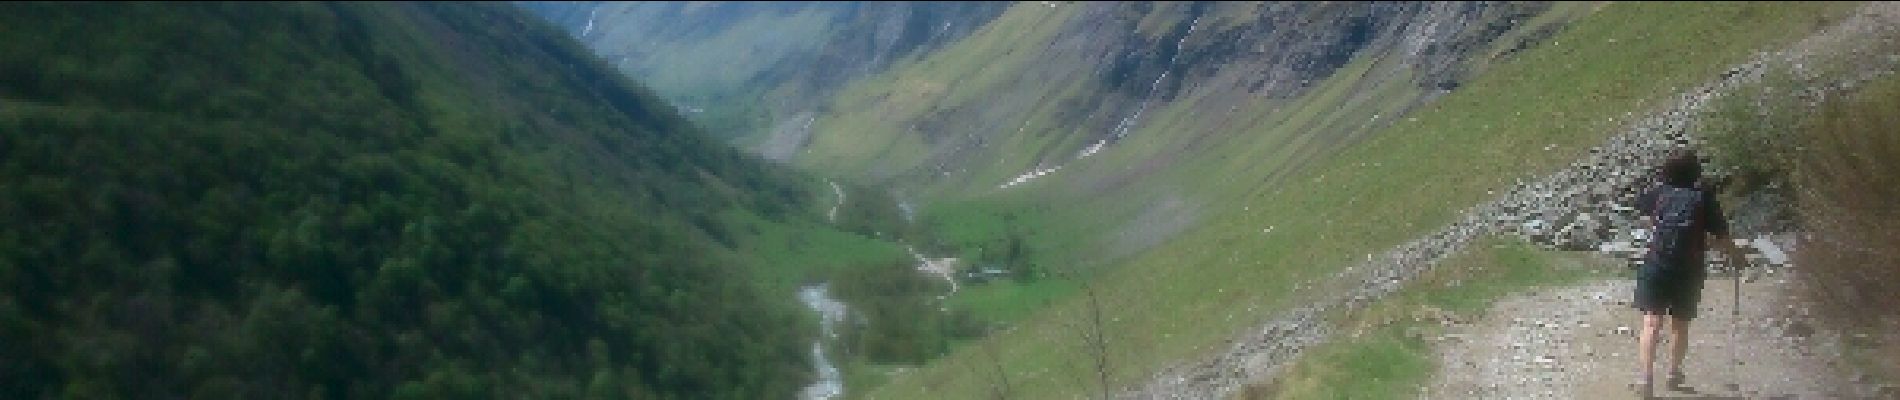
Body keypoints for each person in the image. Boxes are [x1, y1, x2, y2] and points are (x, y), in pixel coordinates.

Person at [1631, 150, 1750, 397]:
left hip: (1657, 264)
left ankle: (1645, 379)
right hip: (1689, 269)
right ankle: (1673, 374)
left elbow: (1644, 215)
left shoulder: (1658, 193)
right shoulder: (1703, 197)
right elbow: (1722, 236)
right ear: (1695, 171)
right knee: (1680, 324)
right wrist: (1736, 256)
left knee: (1651, 321)